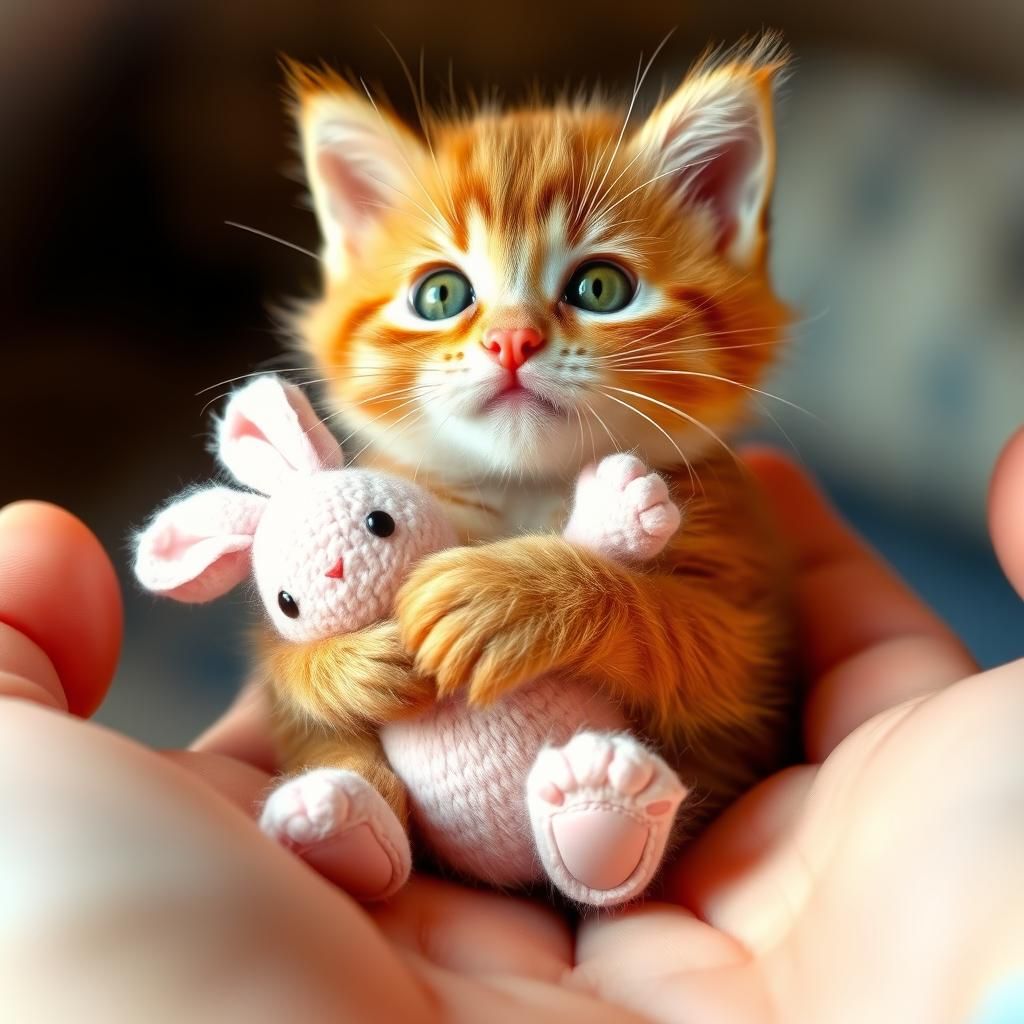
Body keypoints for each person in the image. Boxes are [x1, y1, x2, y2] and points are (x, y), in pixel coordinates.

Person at [1, 434, 1022, 1023]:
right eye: (442, 298)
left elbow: (729, 684)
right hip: (433, 858)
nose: (512, 343)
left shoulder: (698, 486)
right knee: (321, 730)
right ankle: (363, 823)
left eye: (601, 289)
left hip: (690, 824)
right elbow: (297, 673)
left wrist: (587, 588)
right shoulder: (372, 483)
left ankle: (599, 832)